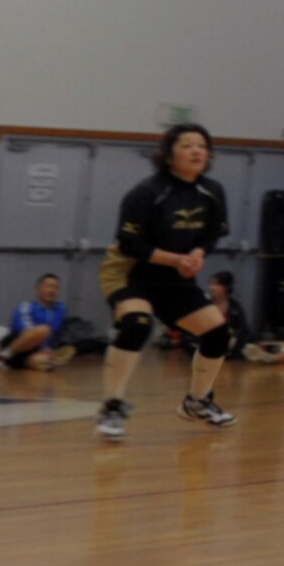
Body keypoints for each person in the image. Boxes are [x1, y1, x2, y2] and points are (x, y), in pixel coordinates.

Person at [94, 123, 237, 440]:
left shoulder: (212, 192)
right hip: (131, 271)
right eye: (186, 145)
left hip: (175, 277)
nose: (196, 150)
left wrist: (197, 254)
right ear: (169, 154)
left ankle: (197, 401)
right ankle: (112, 406)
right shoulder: (147, 193)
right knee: (137, 324)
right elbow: (130, 245)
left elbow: (213, 235)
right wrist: (177, 259)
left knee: (217, 332)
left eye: (201, 145)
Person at [0, 273, 74, 372]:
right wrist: (44, 348)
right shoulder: (25, 306)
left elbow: (57, 336)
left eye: (55, 287)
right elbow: (27, 331)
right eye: (48, 287)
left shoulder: (61, 310)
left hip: (32, 351)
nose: (52, 290)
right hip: (17, 343)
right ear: (37, 290)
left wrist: (52, 353)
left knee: (47, 364)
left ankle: (11, 362)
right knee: (44, 330)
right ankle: (2, 355)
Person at [205, 270, 254, 359]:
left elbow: (242, 329)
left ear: (226, 287)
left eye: (217, 284)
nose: (212, 287)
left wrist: (235, 338)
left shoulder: (235, 307)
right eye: (211, 284)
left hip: (230, 348)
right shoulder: (206, 306)